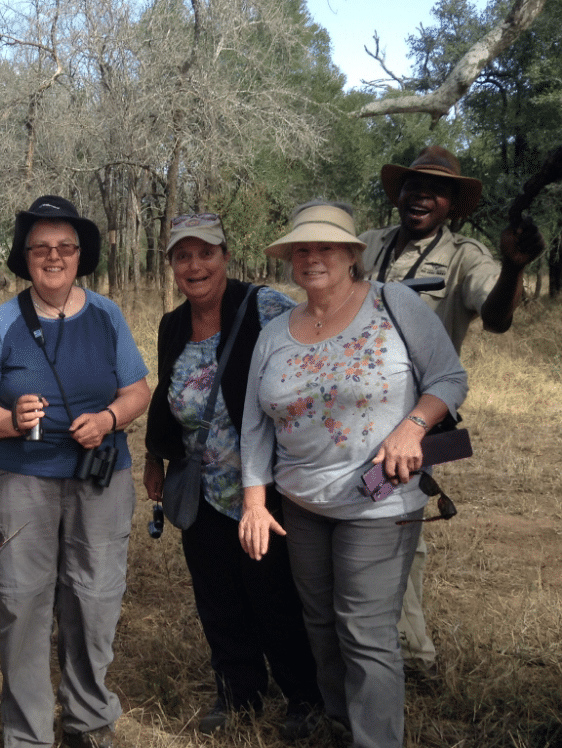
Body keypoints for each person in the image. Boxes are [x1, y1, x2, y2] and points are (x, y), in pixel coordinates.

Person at [240, 201, 468, 748]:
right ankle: (345, 723)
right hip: (301, 505)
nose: (312, 258)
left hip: (379, 504)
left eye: (324, 247)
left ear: (350, 255)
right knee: (320, 624)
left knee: (365, 634)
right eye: (302, 249)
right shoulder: (274, 331)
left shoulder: (396, 305)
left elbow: (449, 379)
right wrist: (254, 502)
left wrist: (413, 427)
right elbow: (254, 425)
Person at [0, 195, 150, 748]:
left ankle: (88, 719)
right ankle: (28, 733)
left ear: (80, 254)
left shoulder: (108, 315)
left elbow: (137, 390)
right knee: (23, 602)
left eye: (65, 246)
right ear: (25, 256)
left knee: (95, 597)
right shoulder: (1, 324)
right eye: (40, 247)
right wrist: (12, 419)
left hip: (99, 476)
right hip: (20, 479)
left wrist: (111, 417)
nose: (53, 256)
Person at [359, 145, 545, 672]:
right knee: (354, 516)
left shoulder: (466, 256)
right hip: (350, 418)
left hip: (414, 422)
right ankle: (369, 645)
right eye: (414, 185)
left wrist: (513, 269)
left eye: (436, 189)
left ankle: (412, 654)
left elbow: (497, 317)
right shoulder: (367, 247)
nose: (422, 196)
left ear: (452, 204)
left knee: (398, 525)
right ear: (398, 192)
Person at [141, 213, 321, 738]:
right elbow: (166, 396)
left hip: (262, 487)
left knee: (273, 595)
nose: (194, 266)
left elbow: (309, 365)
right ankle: (237, 692)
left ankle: (302, 697)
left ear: (226, 256)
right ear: (171, 264)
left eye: (206, 253)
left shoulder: (263, 307)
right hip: (200, 484)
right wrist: (157, 454)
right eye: (182, 255)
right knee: (216, 594)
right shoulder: (173, 324)